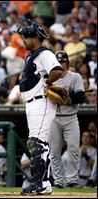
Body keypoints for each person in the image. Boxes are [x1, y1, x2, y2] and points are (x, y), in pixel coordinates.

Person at [17, 19, 65, 195]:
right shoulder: (32, 55)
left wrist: (48, 82)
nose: (24, 40)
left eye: (26, 37)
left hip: (41, 102)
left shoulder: (44, 53)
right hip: (33, 104)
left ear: (35, 37)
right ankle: (44, 183)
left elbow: (57, 70)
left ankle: (40, 184)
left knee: (36, 143)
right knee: (39, 143)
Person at [49, 50, 86, 188]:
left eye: (63, 62)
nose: (61, 64)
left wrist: (67, 97)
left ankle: (71, 180)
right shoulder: (49, 77)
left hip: (70, 118)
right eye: (58, 62)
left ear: (67, 63)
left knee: (74, 149)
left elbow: (81, 97)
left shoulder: (75, 77)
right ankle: (58, 181)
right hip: (53, 118)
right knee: (54, 151)